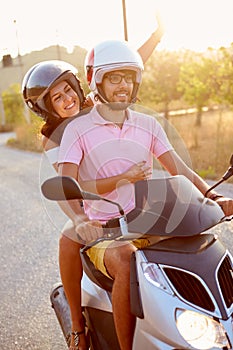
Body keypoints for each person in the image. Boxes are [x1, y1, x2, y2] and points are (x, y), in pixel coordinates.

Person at [57, 39, 233, 350]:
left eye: (128, 77)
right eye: (114, 78)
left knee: (205, 246)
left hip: (152, 225)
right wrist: (80, 219)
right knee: (125, 259)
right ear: (95, 80)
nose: (123, 85)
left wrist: (214, 200)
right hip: (106, 233)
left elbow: (181, 170)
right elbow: (66, 184)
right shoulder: (78, 129)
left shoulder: (148, 124)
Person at [22, 16, 165, 350]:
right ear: (47, 108)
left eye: (69, 91)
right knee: (68, 239)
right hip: (89, 204)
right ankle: (77, 326)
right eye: (57, 98)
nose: (67, 99)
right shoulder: (55, 140)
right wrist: (79, 216)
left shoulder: (93, 103)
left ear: (78, 87)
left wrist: (157, 36)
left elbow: (128, 64)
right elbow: (74, 184)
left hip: (126, 198)